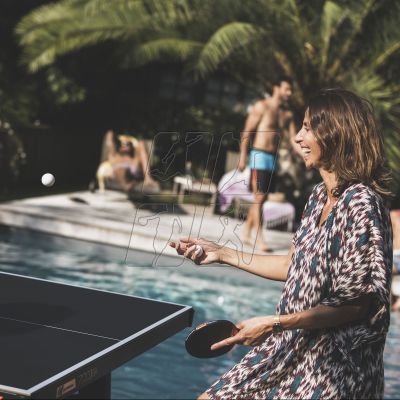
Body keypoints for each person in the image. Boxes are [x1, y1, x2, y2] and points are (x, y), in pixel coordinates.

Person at [170, 88, 393, 399]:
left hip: (335, 366)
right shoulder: (317, 197)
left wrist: (274, 324)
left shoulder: (361, 203)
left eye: (307, 128)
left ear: (336, 134)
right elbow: (293, 265)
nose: (298, 138)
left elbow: (357, 303)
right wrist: (222, 253)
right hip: (287, 348)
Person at [238, 76, 301, 252]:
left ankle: (246, 232)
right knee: (259, 198)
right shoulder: (262, 107)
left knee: (262, 198)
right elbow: (247, 132)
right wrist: (243, 157)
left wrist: (305, 155)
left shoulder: (286, 114)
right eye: (286, 89)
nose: (289, 93)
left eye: (291, 90)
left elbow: (294, 139)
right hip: (258, 155)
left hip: (273, 159)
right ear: (276, 87)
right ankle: (259, 239)